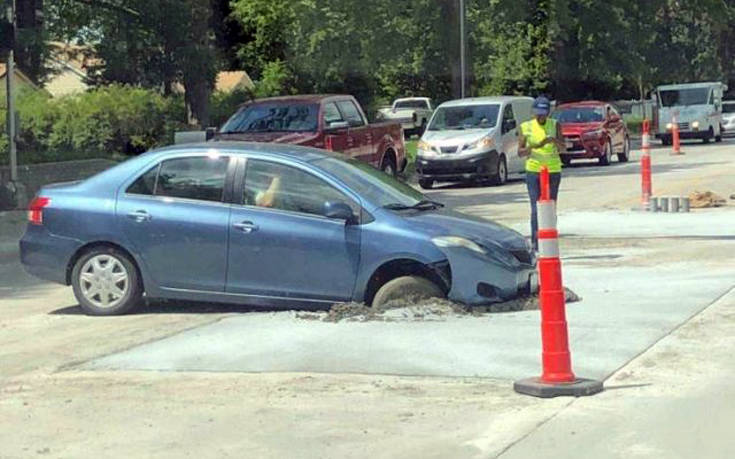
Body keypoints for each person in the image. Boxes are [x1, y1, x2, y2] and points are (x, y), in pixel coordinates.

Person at [518, 96, 566, 250]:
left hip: (553, 170)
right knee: (535, 207)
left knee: (550, 206)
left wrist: (553, 141)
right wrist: (537, 145)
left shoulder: (555, 125)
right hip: (534, 170)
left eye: (544, 113)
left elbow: (563, 148)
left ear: (548, 112)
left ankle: (550, 237)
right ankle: (536, 241)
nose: (541, 117)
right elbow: (520, 152)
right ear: (533, 112)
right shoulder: (526, 127)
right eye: (538, 113)